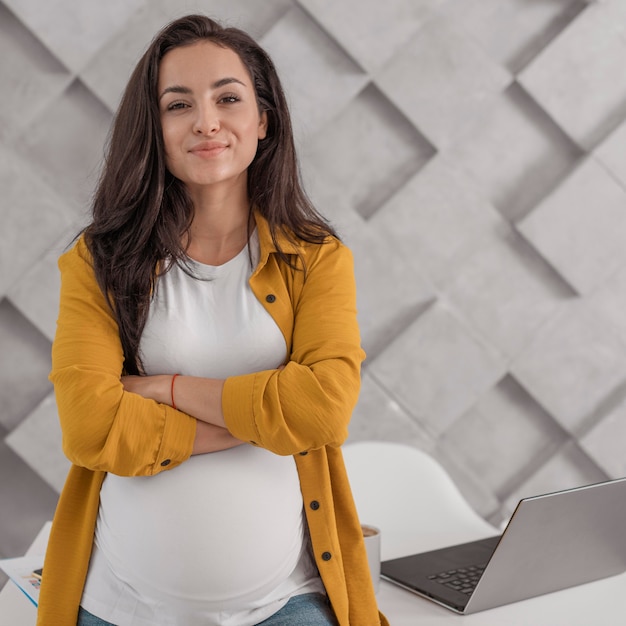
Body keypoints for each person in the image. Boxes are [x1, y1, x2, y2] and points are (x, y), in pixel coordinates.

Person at [37, 14, 388, 626]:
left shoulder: (317, 258)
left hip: (288, 599)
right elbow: (90, 426)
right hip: (121, 605)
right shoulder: (99, 261)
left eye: (228, 98)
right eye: (179, 105)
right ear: (156, 128)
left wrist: (165, 390)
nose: (206, 122)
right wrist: (258, 421)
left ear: (263, 120)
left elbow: (324, 409)